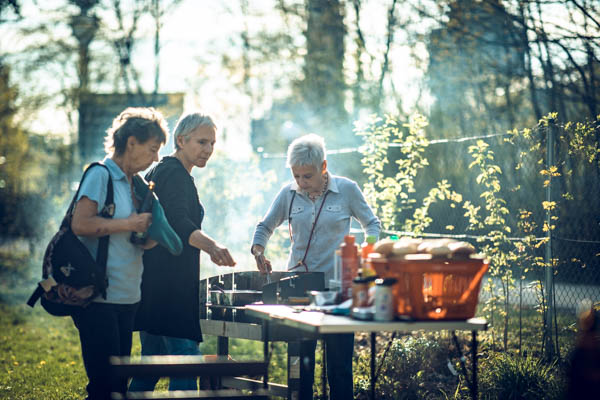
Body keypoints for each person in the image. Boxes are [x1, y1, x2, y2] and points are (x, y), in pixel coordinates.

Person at [251, 133, 381, 400]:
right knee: (301, 367)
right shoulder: (288, 193)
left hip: (339, 290)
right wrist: (258, 250)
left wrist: (367, 250)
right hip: (298, 290)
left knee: (340, 367)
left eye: (307, 176)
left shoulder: (347, 189)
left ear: (323, 166)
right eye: (296, 176)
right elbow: (264, 227)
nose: (301, 182)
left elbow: (372, 224)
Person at [130, 111, 236, 393]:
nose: (208, 149)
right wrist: (212, 246)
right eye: (202, 142)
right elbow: (178, 222)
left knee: (150, 366)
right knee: (186, 361)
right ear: (181, 140)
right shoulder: (175, 174)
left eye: (212, 143)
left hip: (153, 286)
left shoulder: (163, 171)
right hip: (170, 289)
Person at [70, 107, 169, 400]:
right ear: (131, 143)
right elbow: (80, 224)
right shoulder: (100, 175)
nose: (156, 158)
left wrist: (148, 237)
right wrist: (129, 224)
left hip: (128, 297)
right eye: (153, 149)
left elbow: (131, 236)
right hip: (99, 298)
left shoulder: (134, 184)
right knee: (104, 387)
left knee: (118, 387)